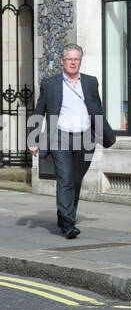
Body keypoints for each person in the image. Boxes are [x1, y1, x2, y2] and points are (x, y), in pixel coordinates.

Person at [28, 45, 116, 239]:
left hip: (85, 137)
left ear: (80, 61)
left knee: (75, 180)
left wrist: (100, 134)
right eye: (69, 59)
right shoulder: (50, 84)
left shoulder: (91, 82)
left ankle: (64, 216)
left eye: (76, 59)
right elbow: (39, 111)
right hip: (60, 136)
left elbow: (97, 109)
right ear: (62, 61)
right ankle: (69, 224)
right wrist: (32, 140)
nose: (73, 62)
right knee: (65, 179)